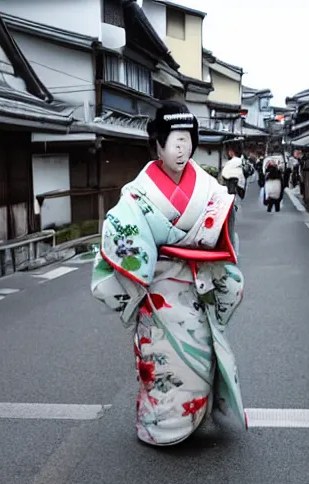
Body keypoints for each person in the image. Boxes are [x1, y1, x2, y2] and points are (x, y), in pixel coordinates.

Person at [91, 102, 246, 447]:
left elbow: (221, 227)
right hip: (157, 292)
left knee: (199, 357)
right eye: (174, 140)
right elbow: (122, 231)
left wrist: (223, 216)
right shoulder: (136, 193)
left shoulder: (208, 187)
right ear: (157, 145)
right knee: (159, 362)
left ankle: (194, 418)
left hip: (194, 288)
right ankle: (156, 423)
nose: (182, 148)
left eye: (187, 140)